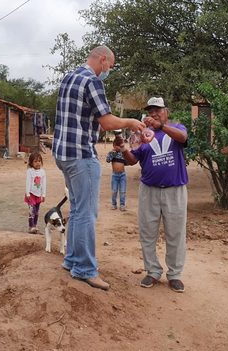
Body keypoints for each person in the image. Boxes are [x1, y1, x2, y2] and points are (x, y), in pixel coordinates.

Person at [52, 45, 146, 291]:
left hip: (62, 154)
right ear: (102, 60)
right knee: (86, 212)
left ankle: (71, 259)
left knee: (77, 208)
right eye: (110, 66)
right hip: (81, 155)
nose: (109, 71)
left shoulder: (69, 77)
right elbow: (105, 122)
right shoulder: (93, 82)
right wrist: (130, 122)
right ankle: (84, 269)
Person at [120, 97, 189, 293]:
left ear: (166, 111)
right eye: (150, 111)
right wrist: (124, 149)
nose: (153, 113)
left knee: (175, 233)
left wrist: (162, 126)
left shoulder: (176, 128)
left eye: (157, 110)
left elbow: (183, 139)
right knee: (147, 233)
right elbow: (134, 160)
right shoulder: (143, 135)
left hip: (174, 189)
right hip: (149, 190)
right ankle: (152, 271)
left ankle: (174, 275)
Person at [24, 152, 46, 234]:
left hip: (38, 195)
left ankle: (35, 225)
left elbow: (43, 184)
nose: (38, 163)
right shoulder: (30, 171)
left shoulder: (43, 172)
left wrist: (43, 194)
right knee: (32, 210)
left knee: (37, 211)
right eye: (35, 161)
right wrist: (28, 193)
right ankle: (31, 226)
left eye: (39, 161)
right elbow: (28, 182)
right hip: (31, 194)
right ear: (31, 163)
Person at [105, 135, 127, 211]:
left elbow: (127, 162)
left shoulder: (123, 153)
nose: (118, 148)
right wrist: (112, 152)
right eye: (116, 146)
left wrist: (123, 150)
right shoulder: (112, 153)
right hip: (115, 175)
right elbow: (108, 160)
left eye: (119, 146)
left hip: (122, 175)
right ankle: (114, 204)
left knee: (123, 191)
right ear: (114, 146)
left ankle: (122, 205)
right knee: (114, 191)